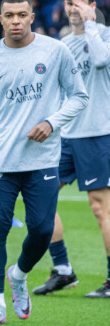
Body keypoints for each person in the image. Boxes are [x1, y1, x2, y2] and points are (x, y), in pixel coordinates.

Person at [0, 0, 88, 325]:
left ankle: (19, 275)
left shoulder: (55, 51)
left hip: (42, 160)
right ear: (1, 19)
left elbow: (79, 96)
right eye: (9, 15)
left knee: (42, 229)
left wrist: (52, 122)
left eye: (22, 15)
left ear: (32, 18)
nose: (16, 21)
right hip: (0, 160)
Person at [33, 0, 110, 299]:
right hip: (68, 135)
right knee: (40, 195)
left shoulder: (104, 36)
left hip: (99, 133)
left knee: (100, 207)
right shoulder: (63, 43)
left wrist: (90, 25)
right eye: (68, 2)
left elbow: (102, 61)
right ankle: (63, 269)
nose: (72, 7)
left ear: (91, 5)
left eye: (78, 1)